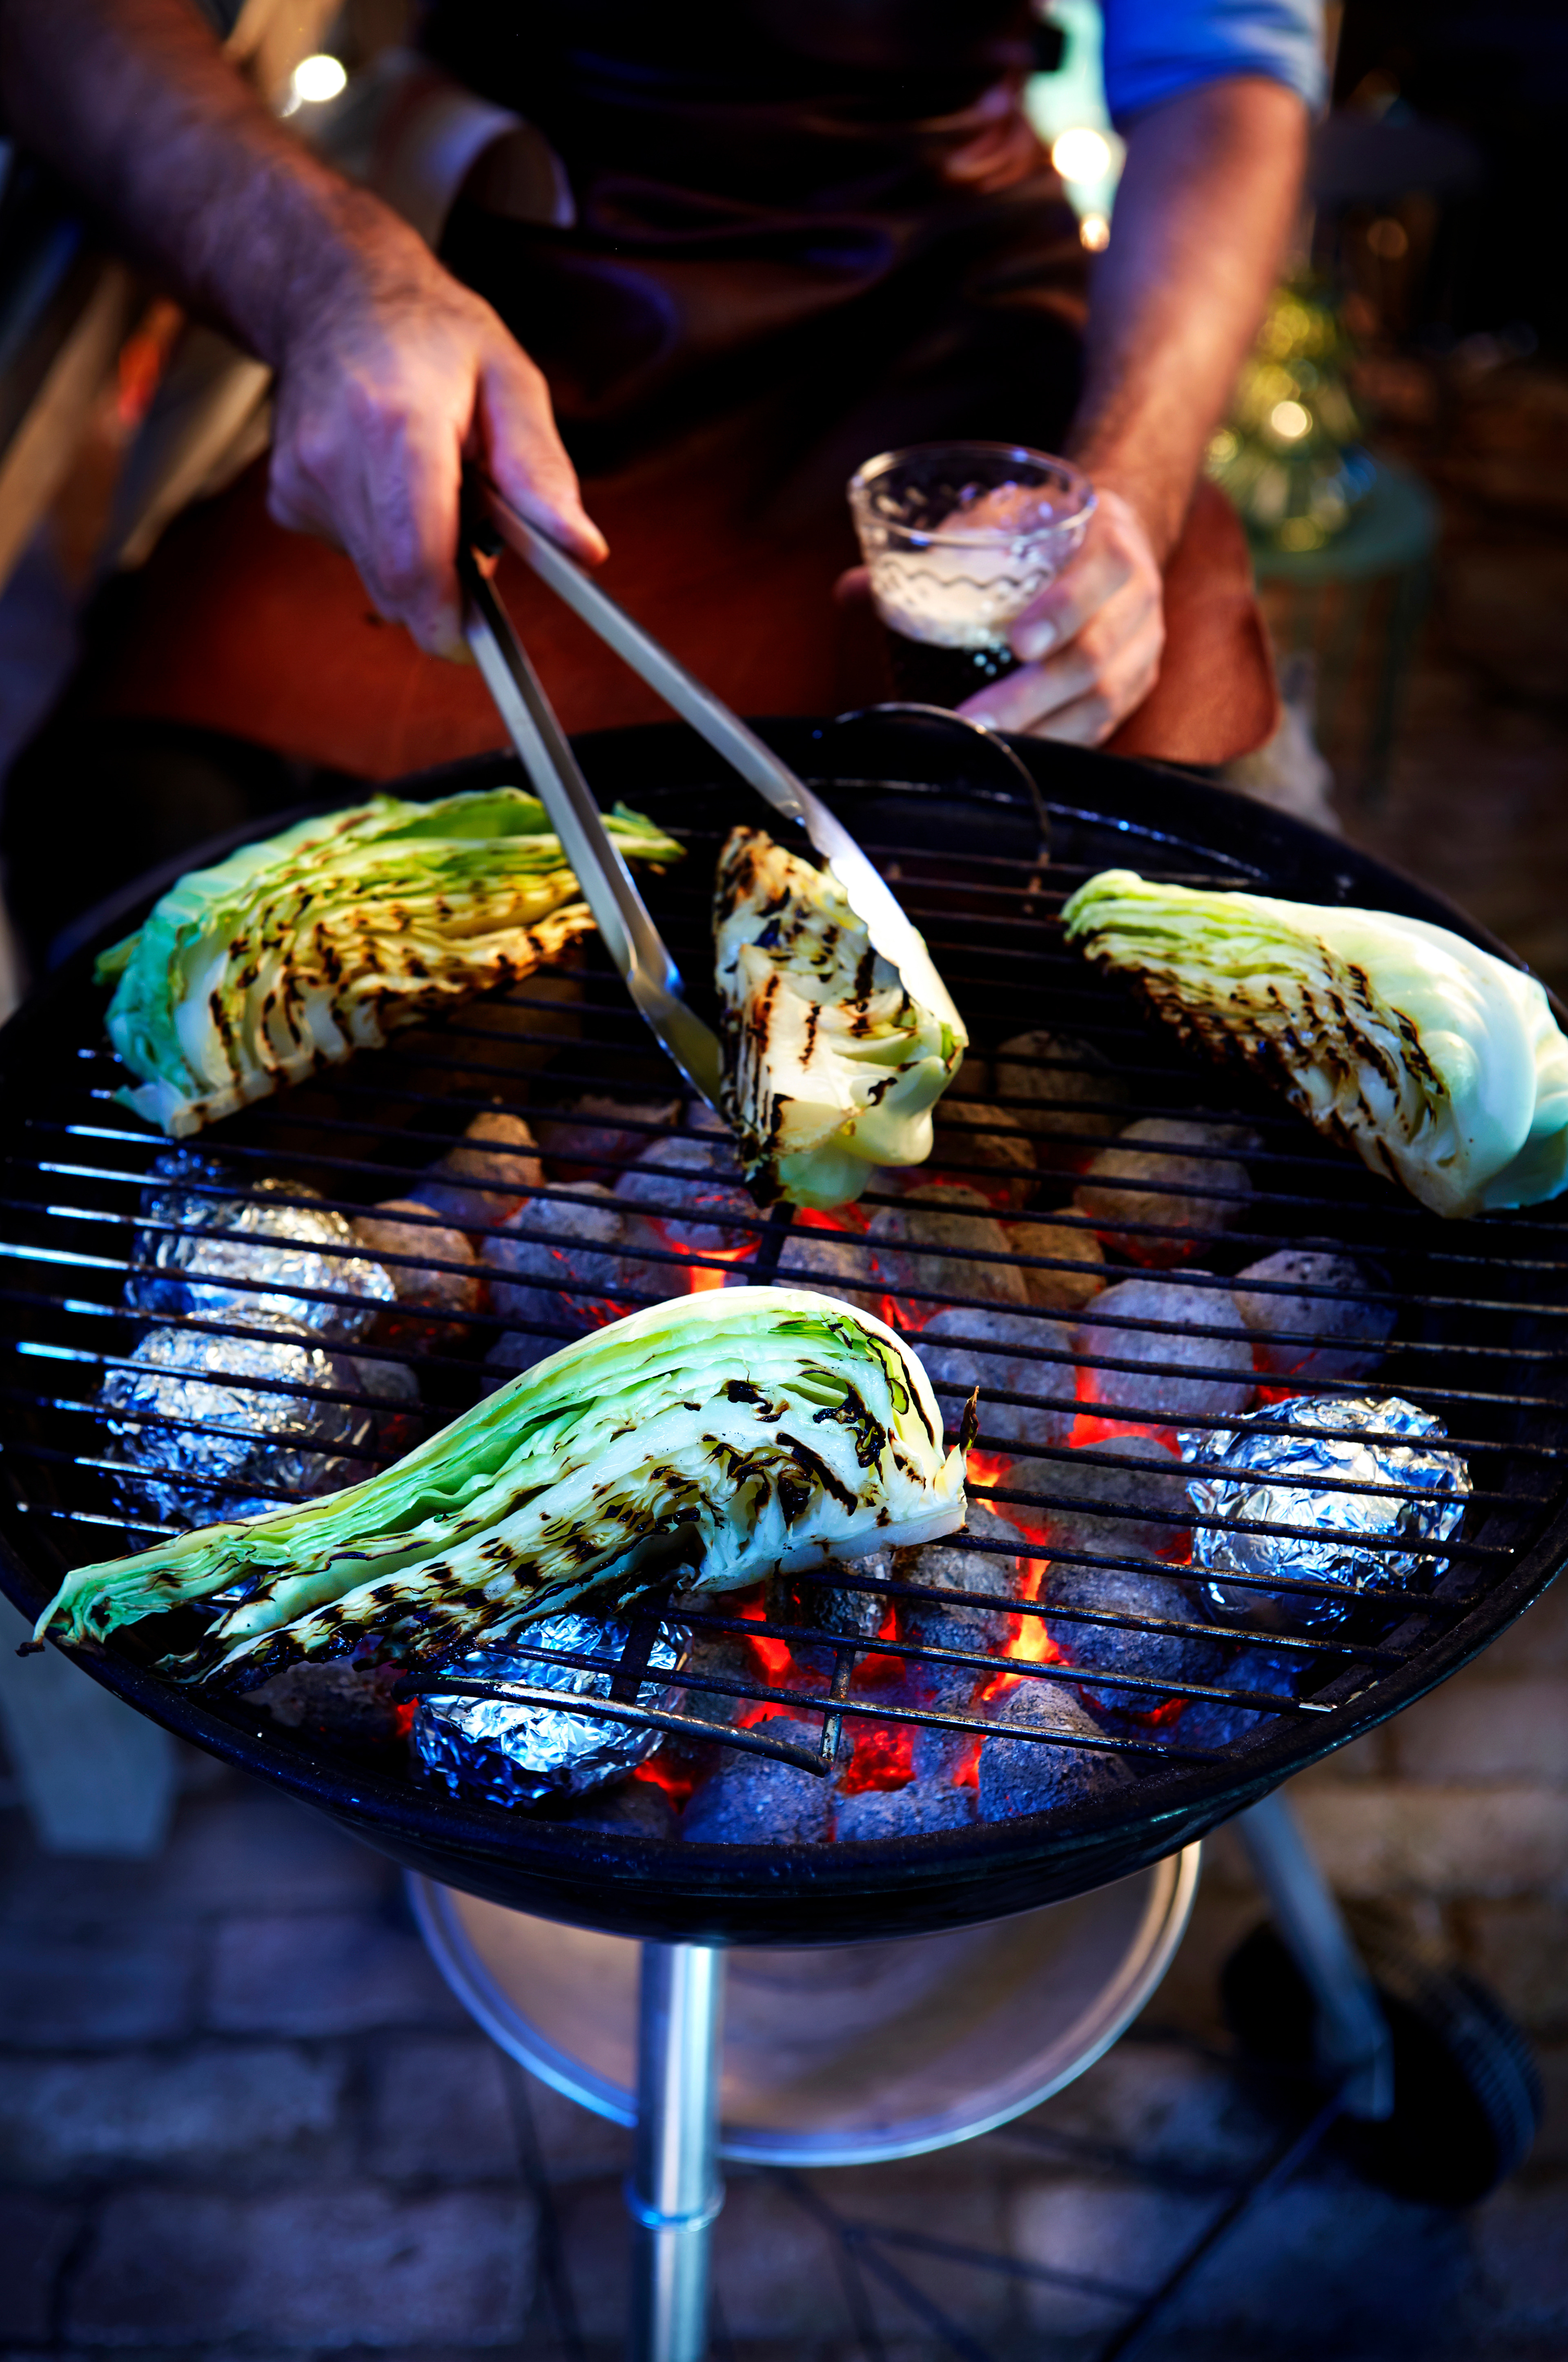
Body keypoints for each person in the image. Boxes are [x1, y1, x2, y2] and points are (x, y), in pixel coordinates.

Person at [0, 0, 1318, 753]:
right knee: (164, 790)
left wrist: (1129, 488)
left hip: (941, 281)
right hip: (496, 294)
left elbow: (1227, 76)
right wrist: (326, 281)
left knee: (1124, 816)